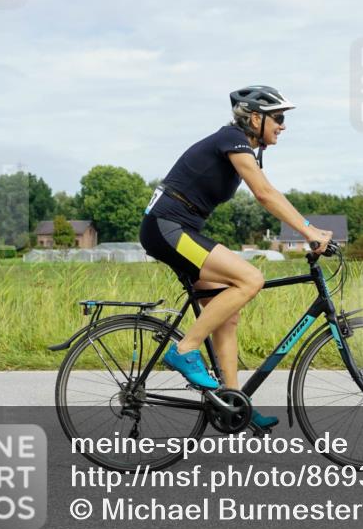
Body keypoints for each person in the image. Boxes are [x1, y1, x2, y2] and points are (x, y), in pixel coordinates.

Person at [139, 86, 332, 429]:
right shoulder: (232, 138)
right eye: (279, 118)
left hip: (179, 228)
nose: (283, 126)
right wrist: (310, 231)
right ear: (255, 118)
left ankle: (232, 402)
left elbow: (266, 190)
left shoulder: (242, 147)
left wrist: (309, 231)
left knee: (226, 315)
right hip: (167, 227)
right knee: (250, 279)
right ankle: (185, 350)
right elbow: (264, 193)